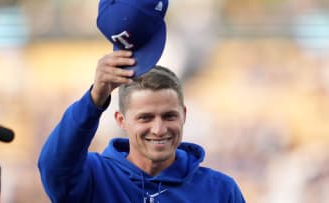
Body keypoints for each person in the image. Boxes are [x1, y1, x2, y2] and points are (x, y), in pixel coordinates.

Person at [38, 50, 246, 202]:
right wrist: (94, 100)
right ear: (121, 121)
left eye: (169, 116)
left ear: (183, 115)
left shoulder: (220, 191)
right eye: (145, 118)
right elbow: (54, 167)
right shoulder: (94, 176)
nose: (159, 129)